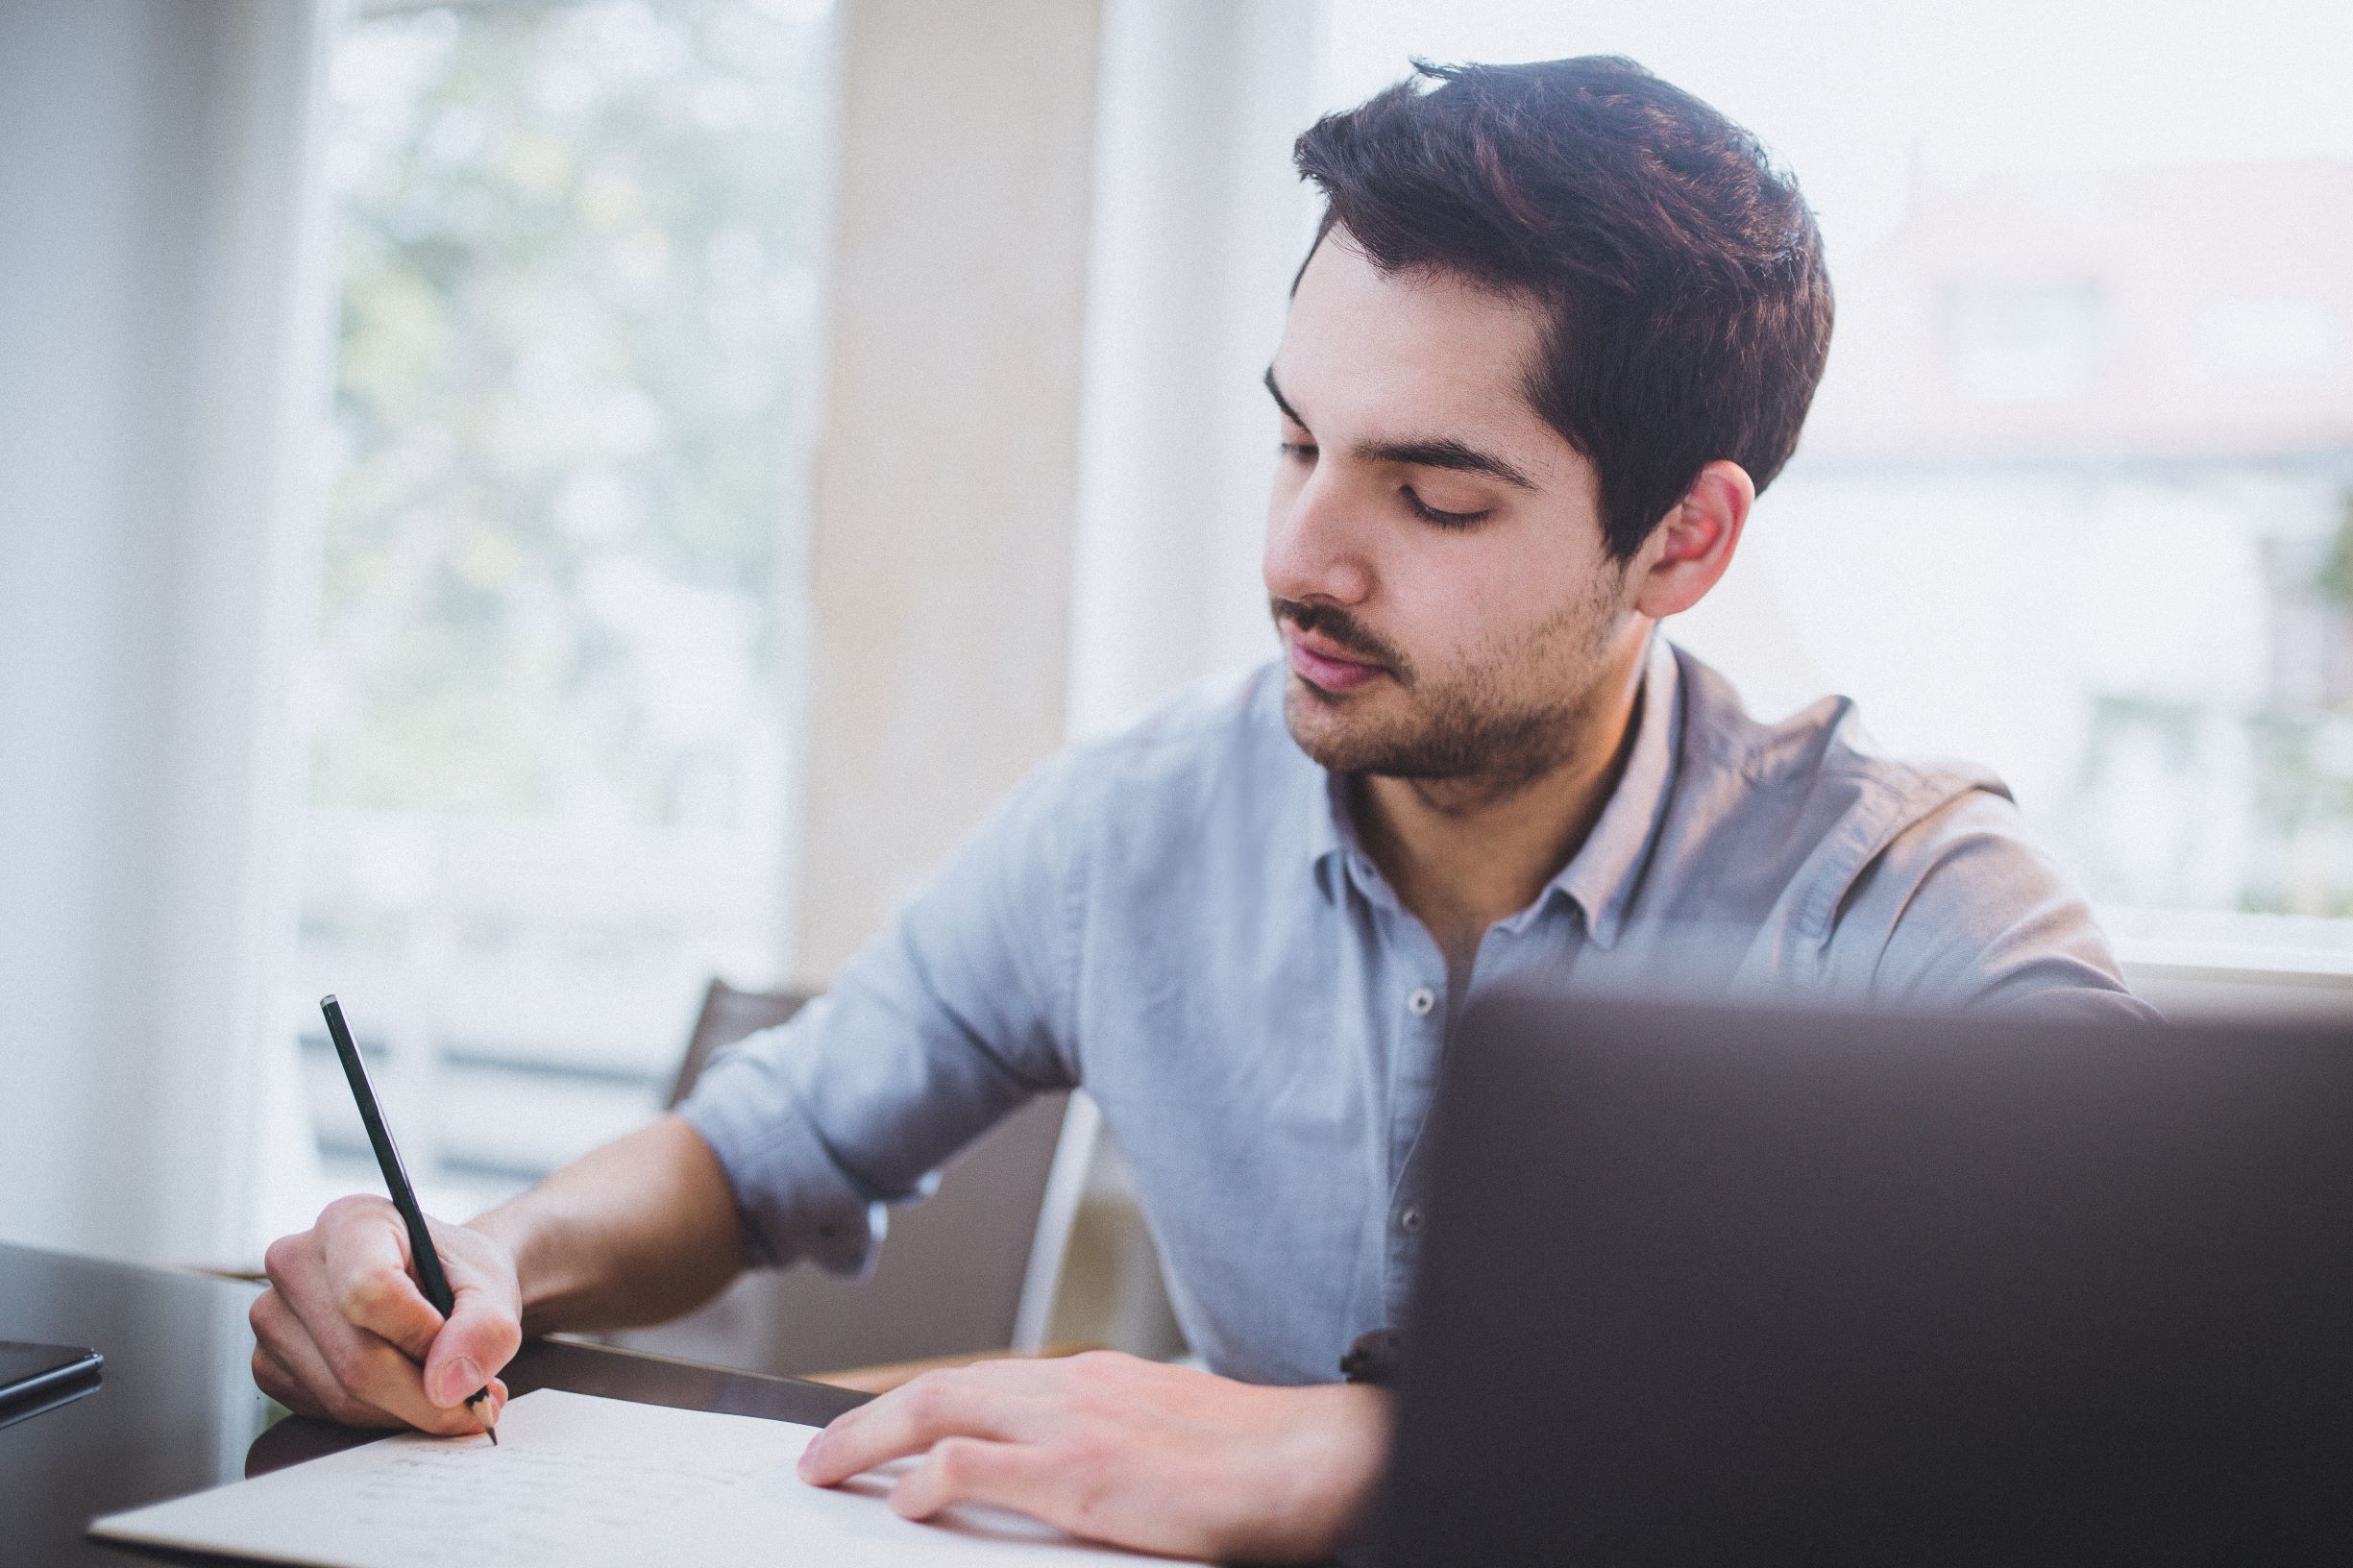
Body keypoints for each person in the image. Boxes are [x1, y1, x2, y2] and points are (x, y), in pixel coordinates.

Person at [251, 57, 2150, 1562]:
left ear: (1683, 539)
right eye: (1294, 437)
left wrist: (1362, 1464)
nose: (1298, 555)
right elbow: (760, 1153)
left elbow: (2146, 1384)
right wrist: (484, 1262)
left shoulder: (1897, 898)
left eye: (1433, 494)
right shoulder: (1133, 825)